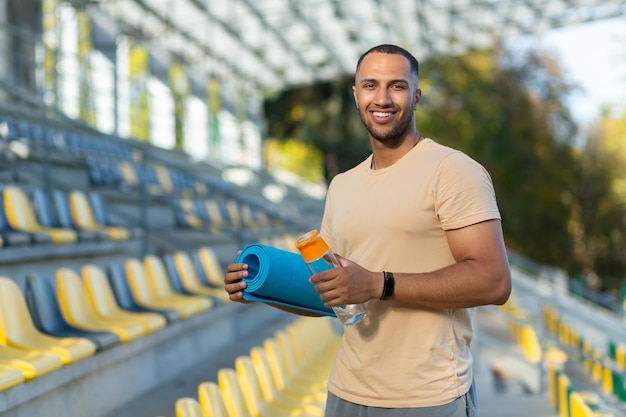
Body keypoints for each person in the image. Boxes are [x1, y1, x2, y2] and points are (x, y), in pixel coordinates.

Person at [225, 44, 512, 417]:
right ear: (356, 94)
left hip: (428, 397)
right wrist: (260, 287)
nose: (382, 98)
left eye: (397, 86)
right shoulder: (342, 185)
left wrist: (380, 283)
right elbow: (334, 297)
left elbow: (494, 281)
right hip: (347, 393)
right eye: (371, 85)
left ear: (417, 95)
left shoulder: (452, 170)